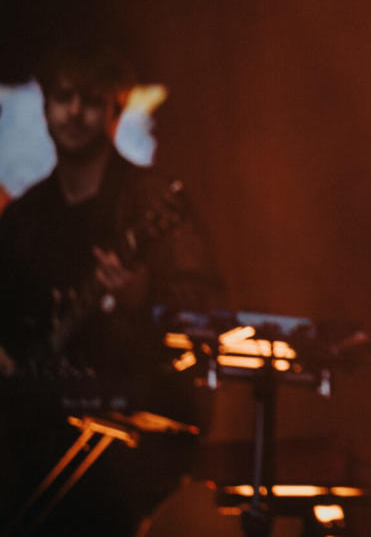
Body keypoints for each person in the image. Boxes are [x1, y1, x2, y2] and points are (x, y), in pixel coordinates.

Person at [0, 42, 225, 535]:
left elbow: (207, 311)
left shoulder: (150, 201)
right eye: (64, 97)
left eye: (91, 98)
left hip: (138, 446)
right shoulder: (23, 220)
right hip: (37, 444)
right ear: (46, 107)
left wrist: (143, 298)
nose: (75, 111)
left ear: (115, 110)